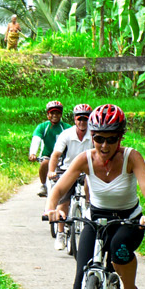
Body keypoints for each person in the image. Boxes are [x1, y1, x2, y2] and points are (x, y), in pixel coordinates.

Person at [45, 104, 145, 289]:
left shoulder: (132, 157)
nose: (104, 146)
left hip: (128, 221)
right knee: (81, 275)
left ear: (121, 137)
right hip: (95, 220)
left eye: (111, 139)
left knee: (120, 250)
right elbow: (60, 187)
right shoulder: (84, 159)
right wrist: (51, 208)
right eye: (98, 139)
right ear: (92, 136)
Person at [47, 103, 93, 251]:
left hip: (87, 170)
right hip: (67, 170)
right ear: (74, 119)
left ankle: (88, 206)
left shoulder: (94, 134)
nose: (82, 122)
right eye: (79, 119)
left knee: (90, 185)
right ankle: (60, 233)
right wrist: (51, 171)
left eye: (86, 119)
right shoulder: (66, 134)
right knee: (63, 200)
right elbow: (55, 155)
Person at [29, 101, 66, 197]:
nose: (55, 115)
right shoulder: (43, 127)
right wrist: (33, 153)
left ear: (61, 115)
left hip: (63, 157)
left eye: (57, 113)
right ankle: (44, 185)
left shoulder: (65, 127)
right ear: (48, 115)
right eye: (52, 113)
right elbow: (36, 139)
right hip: (47, 156)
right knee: (45, 163)